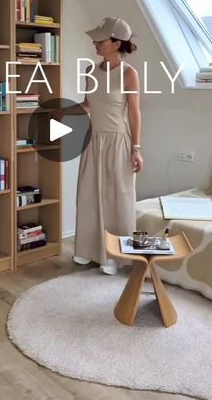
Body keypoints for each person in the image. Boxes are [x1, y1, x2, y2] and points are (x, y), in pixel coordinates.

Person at [55, 17, 143, 275]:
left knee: (117, 199)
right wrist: (64, 111)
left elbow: (135, 113)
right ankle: (88, 250)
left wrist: (136, 148)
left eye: (100, 40)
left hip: (118, 141)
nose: (95, 43)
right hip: (94, 140)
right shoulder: (91, 71)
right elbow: (89, 105)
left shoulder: (129, 74)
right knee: (90, 194)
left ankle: (115, 256)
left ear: (116, 43)